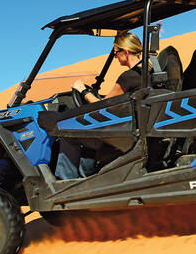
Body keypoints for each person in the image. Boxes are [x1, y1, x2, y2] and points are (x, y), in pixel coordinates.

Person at [56, 32, 150, 179]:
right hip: (138, 128)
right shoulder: (149, 71)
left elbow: (101, 105)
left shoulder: (128, 77)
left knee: (67, 134)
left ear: (125, 52)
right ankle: (86, 176)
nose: (115, 57)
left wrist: (83, 90)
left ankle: (64, 180)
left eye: (116, 53)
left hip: (123, 134)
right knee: (88, 131)